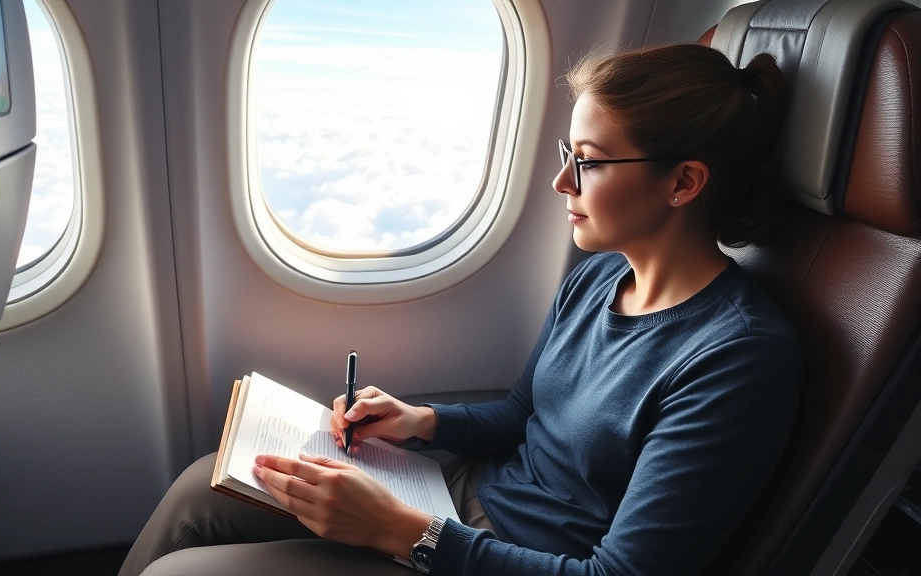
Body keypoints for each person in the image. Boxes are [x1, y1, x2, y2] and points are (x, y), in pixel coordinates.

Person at [118, 43, 801, 576]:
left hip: (506, 553)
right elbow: (522, 416)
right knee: (196, 493)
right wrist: (420, 422)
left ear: (682, 182)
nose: (562, 181)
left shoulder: (737, 359)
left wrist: (398, 531)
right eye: (570, 154)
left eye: (589, 162)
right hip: (458, 501)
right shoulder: (596, 280)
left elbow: (621, 571)